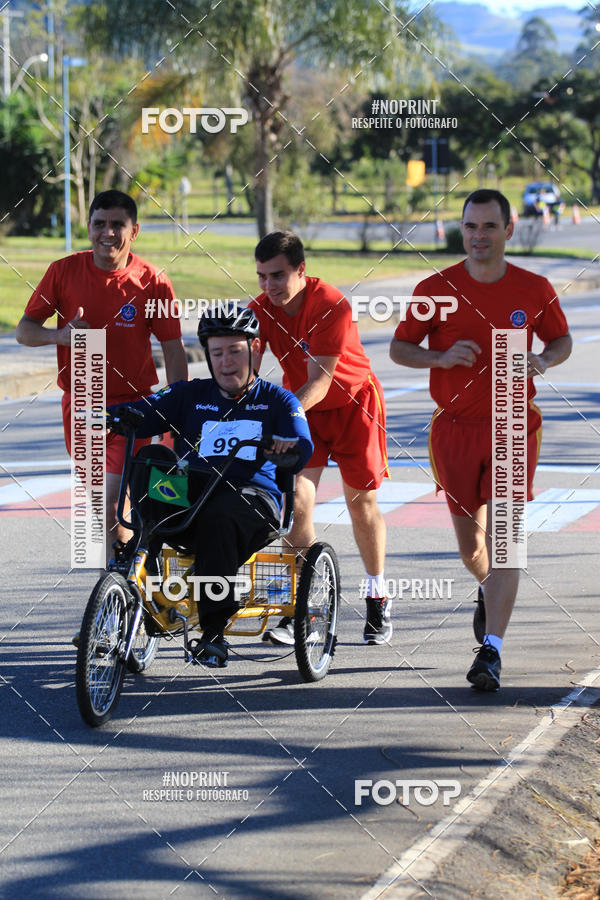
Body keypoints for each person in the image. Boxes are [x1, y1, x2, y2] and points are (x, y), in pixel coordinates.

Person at [389, 188, 572, 691]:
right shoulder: (434, 289)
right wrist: (438, 359)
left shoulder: (534, 288)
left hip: (514, 425)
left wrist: (545, 359)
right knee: (472, 546)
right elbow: (400, 347)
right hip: (454, 430)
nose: (478, 236)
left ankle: (491, 650)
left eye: (489, 227)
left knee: (506, 543)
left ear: (508, 230)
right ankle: (488, 592)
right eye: (470, 226)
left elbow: (561, 339)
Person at [109, 306, 313, 667]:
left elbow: (301, 443)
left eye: (235, 351)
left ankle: (214, 632)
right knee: (153, 456)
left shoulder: (279, 400)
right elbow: (143, 411)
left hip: (252, 502)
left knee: (221, 514)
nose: (226, 362)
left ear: (255, 349)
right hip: (193, 497)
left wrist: (286, 447)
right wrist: (114, 415)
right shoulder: (190, 394)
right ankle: (141, 571)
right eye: (217, 353)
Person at [15, 190, 188, 561]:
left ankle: (118, 578)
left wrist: (179, 407)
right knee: (103, 505)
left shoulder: (152, 281)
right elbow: (24, 331)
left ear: (134, 230)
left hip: (134, 407)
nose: (107, 233)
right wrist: (59, 335)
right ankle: (127, 577)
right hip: (80, 405)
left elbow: (173, 348)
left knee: (114, 497)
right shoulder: (63, 271)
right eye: (99, 224)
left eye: (117, 225)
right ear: (89, 227)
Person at [249, 231, 390, 646]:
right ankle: (304, 606)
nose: (269, 286)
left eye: (278, 276)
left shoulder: (330, 304)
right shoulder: (259, 310)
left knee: (361, 505)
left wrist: (282, 417)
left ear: (302, 271)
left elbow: (323, 380)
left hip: (351, 405)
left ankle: (377, 594)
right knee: (294, 506)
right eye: (261, 277)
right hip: (304, 412)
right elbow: (249, 374)